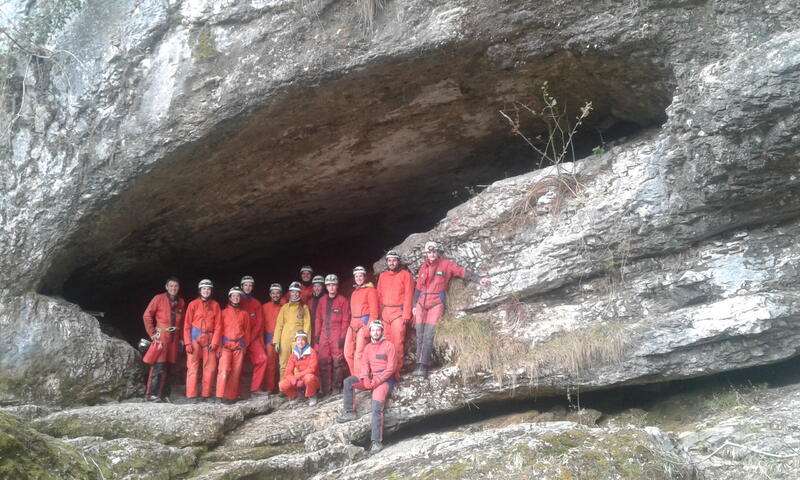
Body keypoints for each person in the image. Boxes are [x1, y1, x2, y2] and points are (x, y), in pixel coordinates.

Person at [412, 241, 489, 378]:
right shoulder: (423, 267)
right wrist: (413, 305)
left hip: (436, 303)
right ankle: (417, 364)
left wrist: (479, 279)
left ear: (437, 252)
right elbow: (418, 288)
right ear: (426, 254)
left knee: (429, 334)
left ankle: (424, 365)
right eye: (429, 252)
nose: (432, 254)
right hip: (421, 304)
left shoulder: (446, 264)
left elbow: (462, 271)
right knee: (419, 334)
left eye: (434, 251)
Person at [337, 320, 396, 453]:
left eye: (378, 330)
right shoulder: (368, 347)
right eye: (373, 330)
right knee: (348, 382)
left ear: (382, 331)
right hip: (371, 377)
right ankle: (350, 412)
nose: (375, 332)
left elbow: (391, 368)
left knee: (376, 407)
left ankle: (376, 442)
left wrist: (376, 381)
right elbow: (364, 365)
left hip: (384, 380)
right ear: (370, 332)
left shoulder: (389, 346)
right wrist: (365, 378)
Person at [142, 277, 185, 402]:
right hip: (162, 337)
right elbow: (147, 315)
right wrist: (152, 333)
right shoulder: (158, 298)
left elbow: (182, 322)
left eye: (176, 286)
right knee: (158, 366)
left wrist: (181, 339)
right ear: (166, 287)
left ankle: (165, 395)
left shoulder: (181, 302)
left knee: (170, 367)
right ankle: (151, 393)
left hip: (174, 338)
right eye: (171, 286)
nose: (173, 288)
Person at [377, 250, 414, 379]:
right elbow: (379, 295)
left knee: (397, 342)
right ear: (387, 262)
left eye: (394, 260)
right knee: (385, 342)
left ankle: (396, 371)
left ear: (398, 262)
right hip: (385, 313)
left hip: (398, 313)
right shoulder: (383, 276)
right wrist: (380, 314)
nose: (392, 263)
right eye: (389, 261)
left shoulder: (405, 275)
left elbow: (409, 295)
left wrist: (406, 314)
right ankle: (386, 370)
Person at [183, 279, 221, 403]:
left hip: (209, 339)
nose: (206, 291)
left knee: (210, 368)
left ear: (211, 291)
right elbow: (187, 325)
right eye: (204, 288)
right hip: (195, 338)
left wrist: (215, 343)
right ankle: (191, 395)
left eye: (208, 289)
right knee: (192, 367)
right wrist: (187, 342)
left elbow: (218, 326)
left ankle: (206, 394)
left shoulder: (215, 305)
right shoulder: (193, 304)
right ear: (200, 290)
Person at [314, 274, 350, 395]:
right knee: (323, 362)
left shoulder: (343, 301)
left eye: (333, 285)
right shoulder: (322, 300)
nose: (331, 288)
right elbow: (318, 319)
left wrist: (342, 337)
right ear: (326, 287)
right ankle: (325, 389)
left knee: (337, 362)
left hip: (337, 333)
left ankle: (336, 387)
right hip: (324, 333)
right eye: (329, 285)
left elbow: (346, 320)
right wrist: (317, 335)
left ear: (337, 286)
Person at [215, 286, 251, 404]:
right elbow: (218, 330)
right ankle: (219, 395)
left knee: (236, 372)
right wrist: (218, 346)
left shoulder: (244, 314)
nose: (236, 298)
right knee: (224, 369)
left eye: (238, 296)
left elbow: (247, 331)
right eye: (233, 296)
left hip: (238, 346)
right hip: (225, 345)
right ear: (229, 297)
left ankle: (230, 397)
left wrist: (244, 346)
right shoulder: (223, 312)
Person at [345, 266, 379, 377]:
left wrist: (368, 328)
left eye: (360, 276)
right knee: (347, 352)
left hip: (363, 323)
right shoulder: (354, 292)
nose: (358, 278)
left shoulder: (371, 291)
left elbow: (374, 312)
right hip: (353, 324)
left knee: (359, 353)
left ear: (364, 277)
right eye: (356, 276)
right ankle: (355, 377)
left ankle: (360, 379)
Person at [273, 282, 311, 380]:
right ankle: (284, 387)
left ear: (300, 293)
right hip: (284, 339)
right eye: (293, 292)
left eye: (297, 292)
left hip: (298, 340)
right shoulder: (284, 307)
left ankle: (297, 388)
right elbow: (279, 325)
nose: (295, 294)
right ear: (289, 293)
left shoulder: (304, 307)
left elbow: (307, 325)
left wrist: (306, 342)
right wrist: (276, 341)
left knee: (298, 365)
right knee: (283, 364)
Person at [240, 276, 267, 396]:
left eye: (250, 285)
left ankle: (255, 389)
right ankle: (234, 391)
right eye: (245, 285)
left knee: (263, 359)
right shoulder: (236, 299)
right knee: (234, 363)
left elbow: (259, 323)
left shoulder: (256, 303)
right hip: (239, 338)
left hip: (252, 337)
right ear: (242, 286)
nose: (248, 287)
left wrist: (250, 339)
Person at [278, 330, 320, 406]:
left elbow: (312, 369)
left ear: (306, 341)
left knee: (309, 378)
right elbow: (288, 371)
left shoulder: (312, 352)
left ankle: (312, 395)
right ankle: (297, 396)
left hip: (313, 379)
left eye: (303, 340)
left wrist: (296, 377)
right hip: (301, 379)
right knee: (282, 384)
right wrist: (292, 378)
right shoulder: (294, 354)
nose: (300, 342)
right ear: (296, 341)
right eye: (298, 340)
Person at [261, 283, 286, 393]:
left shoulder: (285, 307)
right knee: (270, 364)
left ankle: (283, 387)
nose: (275, 295)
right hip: (269, 339)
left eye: (278, 293)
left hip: (283, 338)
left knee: (283, 364)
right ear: (270, 294)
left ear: (281, 294)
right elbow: (261, 325)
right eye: (273, 293)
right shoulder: (264, 307)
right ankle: (270, 388)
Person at [307, 275, 326, 343]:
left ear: (323, 287)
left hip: (322, 331)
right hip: (311, 329)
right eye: (315, 286)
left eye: (319, 286)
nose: (316, 288)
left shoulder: (327, 299)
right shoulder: (310, 300)